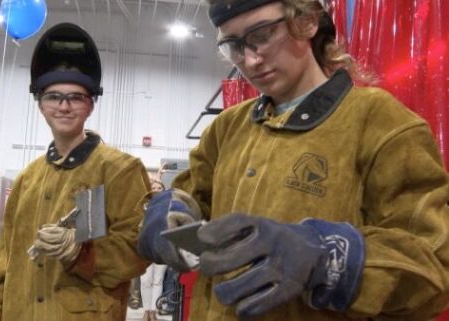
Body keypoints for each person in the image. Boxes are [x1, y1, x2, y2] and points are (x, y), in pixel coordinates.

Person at [137, 1, 449, 321]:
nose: (251, 59)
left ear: (307, 21)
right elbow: (192, 199)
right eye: (233, 45)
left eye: (264, 34)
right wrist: (170, 210)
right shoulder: (227, 127)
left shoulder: (382, 124)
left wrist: (324, 258)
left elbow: (433, 268)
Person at [0, 23, 150, 321]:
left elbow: (139, 250)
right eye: (53, 96)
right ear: (40, 105)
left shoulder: (119, 171)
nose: (64, 106)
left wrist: (80, 253)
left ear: (90, 106)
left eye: (76, 97)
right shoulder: (26, 179)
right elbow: (6, 257)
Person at [140, 178, 168, 321]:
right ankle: (146, 310)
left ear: (163, 190)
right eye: (154, 188)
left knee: (158, 280)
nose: (156, 190)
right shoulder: (143, 206)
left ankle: (153, 312)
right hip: (145, 247)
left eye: (159, 188)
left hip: (162, 247)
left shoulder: (168, 206)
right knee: (145, 280)